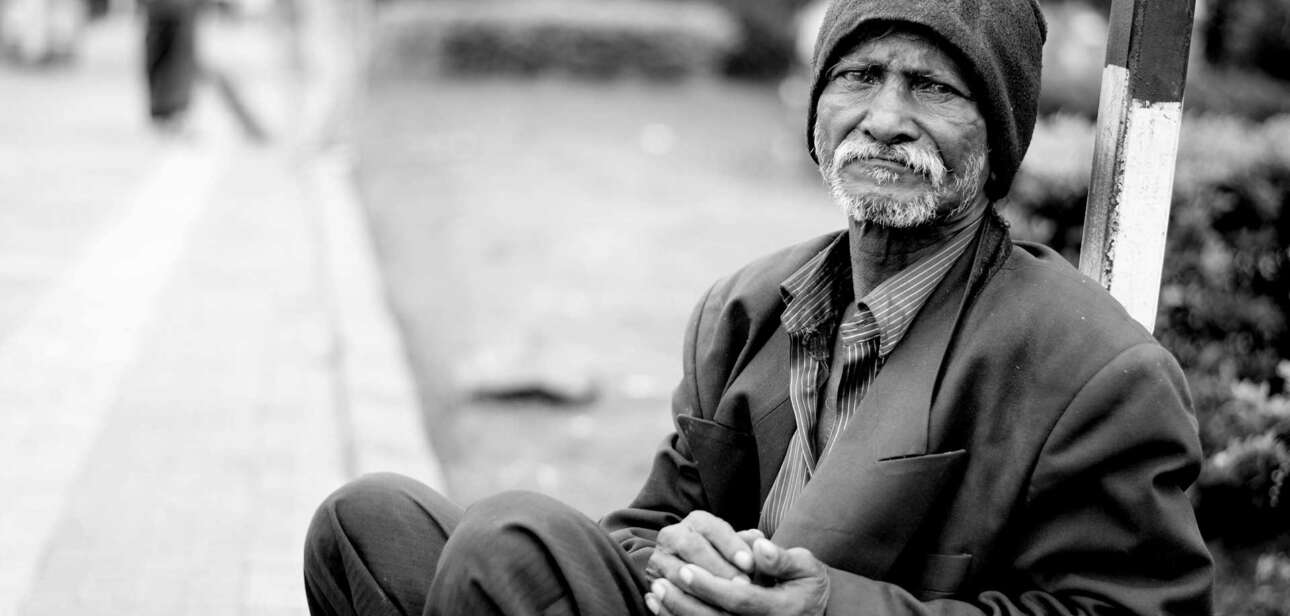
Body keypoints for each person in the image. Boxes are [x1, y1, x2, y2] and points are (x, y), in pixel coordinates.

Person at [302, 0, 1214, 613]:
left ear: (998, 135)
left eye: (933, 88)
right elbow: (645, 528)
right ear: (817, 109)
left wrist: (831, 607)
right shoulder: (747, 310)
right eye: (859, 78)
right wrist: (678, 557)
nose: (884, 118)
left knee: (509, 545)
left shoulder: (1096, 370)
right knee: (367, 526)